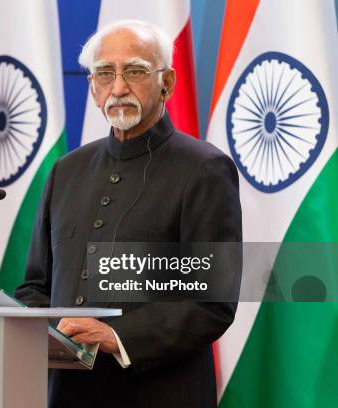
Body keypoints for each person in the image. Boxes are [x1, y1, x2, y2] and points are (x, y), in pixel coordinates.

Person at [14, 20, 242, 408]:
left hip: (163, 394)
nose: (118, 88)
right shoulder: (67, 171)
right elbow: (36, 288)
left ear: (166, 82)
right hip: (70, 395)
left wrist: (114, 335)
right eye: (105, 74)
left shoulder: (205, 169)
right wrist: (49, 332)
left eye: (135, 71)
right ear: (92, 88)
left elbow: (211, 304)